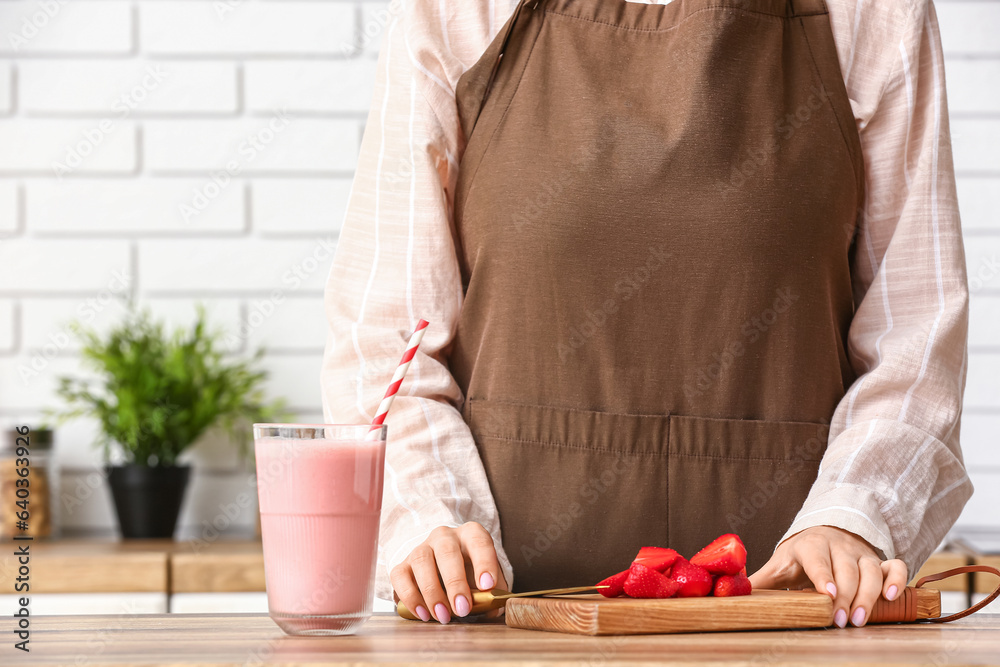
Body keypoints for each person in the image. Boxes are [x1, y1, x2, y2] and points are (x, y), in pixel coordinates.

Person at [321, 0, 973, 630]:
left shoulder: (877, 13)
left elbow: (918, 340)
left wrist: (852, 516)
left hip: (786, 623)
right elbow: (385, 341)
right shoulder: (454, 12)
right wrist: (430, 518)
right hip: (501, 626)